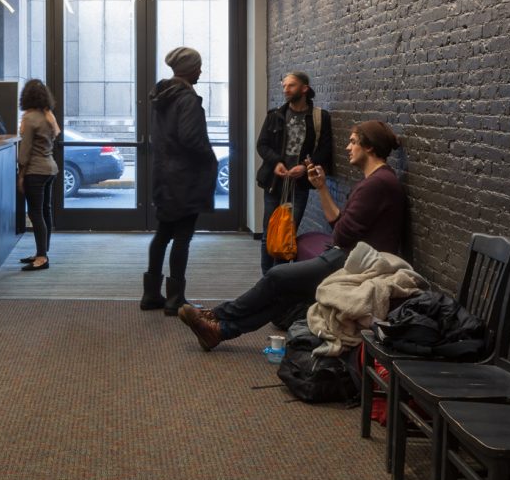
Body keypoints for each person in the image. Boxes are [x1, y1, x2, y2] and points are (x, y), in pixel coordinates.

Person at [179, 120, 406, 350]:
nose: (348, 147)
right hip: (348, 255)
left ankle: (215, 315)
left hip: (354, 262)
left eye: (353, 142)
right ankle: (219, 331)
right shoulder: (375, 182)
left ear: (369, 147)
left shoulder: (376, 185)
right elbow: (339, 226)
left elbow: (341, 235)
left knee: (277, 275)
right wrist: (321, 188)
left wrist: (340, 227)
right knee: (287, 295)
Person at [142, 47, 219, 315]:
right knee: (182, 238)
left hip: (164, 176)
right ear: (188, 69)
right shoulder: (186, 99)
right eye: (198, 67)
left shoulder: (162, 97)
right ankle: (175, 300)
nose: (201, 71)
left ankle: (151, 294)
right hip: (186, 180)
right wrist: (210, 158)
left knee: (163, 234)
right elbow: (191, 139)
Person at [256, 71, 333, 274]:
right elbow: (262, 145)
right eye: (284, 86)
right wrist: (276, 163)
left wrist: (306, 166)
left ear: (304, 88)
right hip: (275, 181)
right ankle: (266, 280)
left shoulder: (320, 117)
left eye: (290, 86)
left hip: (299, 185)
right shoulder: (275, 115)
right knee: (269, 233)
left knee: (287, 234)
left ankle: (278, 279)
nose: (285, 90)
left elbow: (325, 149)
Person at [17, 79, 59, 272]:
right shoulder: (48, 116)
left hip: (35, 170)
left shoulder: (30, 117)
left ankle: (42, 257)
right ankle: (43, 251)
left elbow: (24, 152)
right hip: (50, 168)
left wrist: (20, 173)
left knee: (35, 213)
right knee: (45, 211)